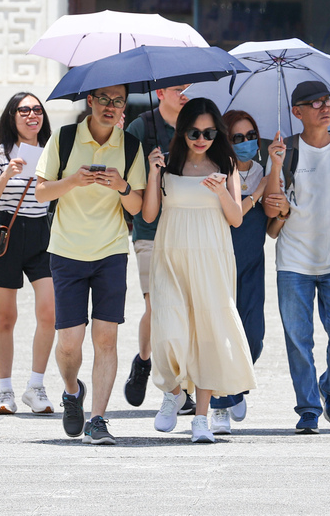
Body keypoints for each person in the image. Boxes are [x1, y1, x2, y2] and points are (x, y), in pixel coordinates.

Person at [34, 84, 146, 445]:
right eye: (105, 100)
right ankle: (71, 391)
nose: (111, 107)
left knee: (106, 338)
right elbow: (40, 192)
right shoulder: (65, 139)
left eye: (118, 101)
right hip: (67, 251)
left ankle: (97, 419)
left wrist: (122, 186)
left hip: (111, 252)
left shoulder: (130, 146)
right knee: (69, 343)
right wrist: (72, 180)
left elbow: (137, 208)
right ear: (91, 102)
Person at [143, 97, 257, 444]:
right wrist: (153, 172)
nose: (201, 138)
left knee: (207, 334)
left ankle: (201, 418)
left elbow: (236, 218)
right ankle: (175, 391)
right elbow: (149, 215)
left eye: (209, 132)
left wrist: (222, 190)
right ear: (183, 130)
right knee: (167, 330)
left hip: (211, 257)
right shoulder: (168, 163)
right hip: (171, 256)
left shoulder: (225, 164)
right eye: (194, 131)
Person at [262, 80, 330, 435]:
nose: (324, 107)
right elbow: (270, 208)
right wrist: (274, 166)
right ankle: (308, 407)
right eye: (314, 102)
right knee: (297, 337)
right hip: (293, 261)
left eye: (327, 100)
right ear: (296, 112)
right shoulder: (283, 151)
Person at [207, 110, 287, 435]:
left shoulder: (263, 171)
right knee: (221, 338)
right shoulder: (216, 173)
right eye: (237, 138)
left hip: (252, 266)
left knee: (253, 338)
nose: (246, 142)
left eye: (251, 135)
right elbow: (232, 216)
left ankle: (235, 388)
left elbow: (273, 228)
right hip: (220, 266)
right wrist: (256, 193)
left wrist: (276, 167)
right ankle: (219, 406)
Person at [0, 92, 55, 415]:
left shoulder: (53, 148)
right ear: (13, 116)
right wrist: (7, 173)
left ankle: (35, 386)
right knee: (6, 317)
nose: (32, 115)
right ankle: (4, 391)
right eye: (24, 110)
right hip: (6, 233)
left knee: (50, 313)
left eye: (37, 110)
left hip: (42, 233)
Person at [122, 84, 196, 416]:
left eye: (190, 89)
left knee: (185, 311)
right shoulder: (141, 128)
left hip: (189, 232)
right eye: (180, 89)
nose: (186, 95)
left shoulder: (199, 126)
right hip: (150, 231)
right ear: (161, 91)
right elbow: (125, 176)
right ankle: (155, 371)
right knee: (158, 305)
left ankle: (171, 374)